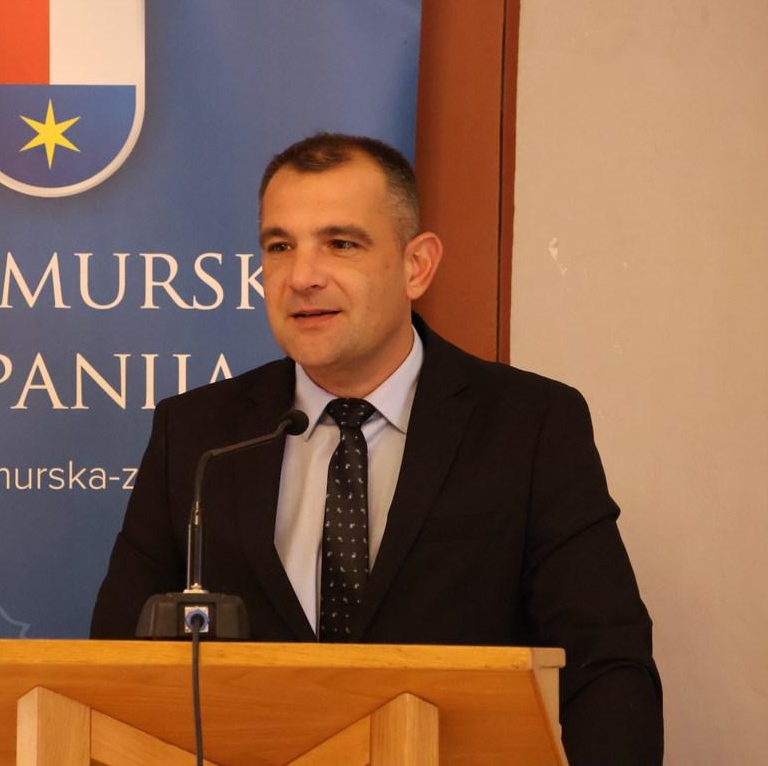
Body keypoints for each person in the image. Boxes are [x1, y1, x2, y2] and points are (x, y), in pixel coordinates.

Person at [91, 132, 663, 764]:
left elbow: (606, 664)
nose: (301, 277)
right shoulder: (199, 435)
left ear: (416, 266)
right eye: (280, 247)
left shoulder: (528, 425)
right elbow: (114, 664)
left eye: (341, 244)